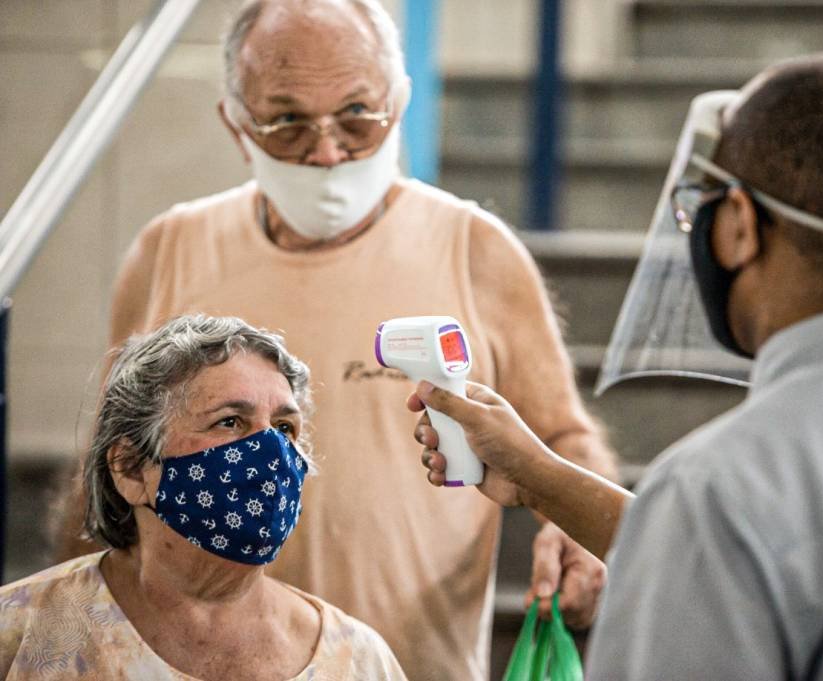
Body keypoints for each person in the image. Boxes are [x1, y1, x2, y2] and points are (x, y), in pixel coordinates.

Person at [409, 52, 823, 679]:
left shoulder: (716, 492)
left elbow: (732, 543)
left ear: (737, 226)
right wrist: (541, 476)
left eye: (698, 209)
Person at [54, 1, 616, 678]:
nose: (326, 152)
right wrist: (65, 623)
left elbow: (562, 435)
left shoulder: (476, 250)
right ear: (236, 124)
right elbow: (105, 471)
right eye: (287, 122)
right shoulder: (169, 251)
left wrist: (574, 526)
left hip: (415, 663)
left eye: (358, 117)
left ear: (398, 103)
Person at [3, 315, 406, 680]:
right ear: (130, 468)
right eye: (229, 422)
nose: (271, 452)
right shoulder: (20, 634)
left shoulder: (357, 660)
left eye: (285, 428)